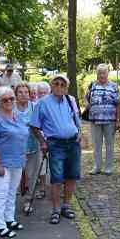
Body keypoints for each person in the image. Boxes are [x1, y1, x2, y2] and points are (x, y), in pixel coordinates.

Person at [30, 74, 82, 225]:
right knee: (57, 178)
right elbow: (34, 126)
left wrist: (80, 132)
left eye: (62, 84)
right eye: (56, 84)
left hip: (73, 142)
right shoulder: (42, 103)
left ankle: (66, 206)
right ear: (51, 86)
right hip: (55, 144)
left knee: (72, 175)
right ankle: (56, 210)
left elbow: (76, 119)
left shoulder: (70, 100)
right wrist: (42, 142)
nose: (59, 87)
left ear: (66, 87)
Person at [0, 86, 29, 237]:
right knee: (1, 194)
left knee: (12, 192)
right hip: (2, 164)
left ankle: (9, 219)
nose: (9, 101)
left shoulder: (18, 117)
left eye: (12, 98)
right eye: (5, 100)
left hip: (17, 161)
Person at [83, 65, 120, 175]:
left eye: (104, 73)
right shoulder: (92, 85)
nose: (101, 75)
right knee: (96, 144)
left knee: (109, 144)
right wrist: (87, 103)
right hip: (95, 120)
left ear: (107, 74)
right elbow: (86, 98)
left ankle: (109, 167)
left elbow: (118, 104)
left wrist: (118, 120)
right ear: (97, 74)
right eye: (99, 73)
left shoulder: (114, 86)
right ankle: (97, 166)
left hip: (110, 120)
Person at [15, 82, 39, 195]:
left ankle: (29, 197)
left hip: (32, 144)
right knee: (17, 173)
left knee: (31, 174)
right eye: (20, 92)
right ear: (16, 94)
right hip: (15, 147)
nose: (23, 94)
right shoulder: (11, 107)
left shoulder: (34, 106)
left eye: (26, 92)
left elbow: (40, 124)